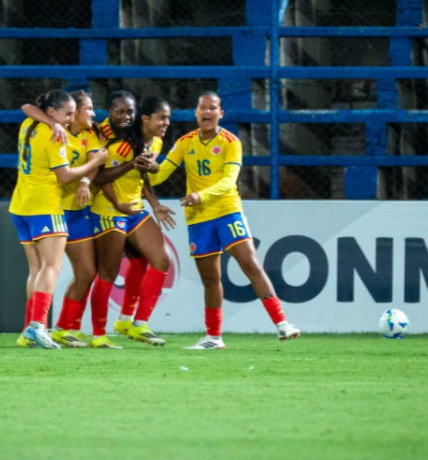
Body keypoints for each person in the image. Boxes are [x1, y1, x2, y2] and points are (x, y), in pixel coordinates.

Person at [149, 90, 301, 349]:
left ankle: (282, 323)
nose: (207, 112)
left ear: (221, 113)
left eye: (212, 108)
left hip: (227, 211)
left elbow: (229, 181)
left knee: (250, 264)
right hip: (198, 219)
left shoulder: (231, 142)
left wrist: (201, 195)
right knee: (210, 279)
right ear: (196, 113)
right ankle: (214, 337)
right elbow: (159, 175)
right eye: (202, 107)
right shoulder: (185, 142)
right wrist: (144, 166)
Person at [10, 90, 108, 349]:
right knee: (51, 267)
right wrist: (95, 162)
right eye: (66, 114)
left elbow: (27, 106)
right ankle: (38, 326)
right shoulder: (54, 135)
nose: (69, 119)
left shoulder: (28, 125)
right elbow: (64, 177)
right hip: (45, 204)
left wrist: (53, 122)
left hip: (20, 203)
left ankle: (28, 330)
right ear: (52, 112)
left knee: (36, 270)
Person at [90, 91, 176, 347]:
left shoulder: (156, 143)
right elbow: (100, 177)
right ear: (145, 119)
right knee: (108, 272)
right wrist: (128, 172)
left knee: (160, 261)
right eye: (161, 118)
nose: (165, 123)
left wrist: (155, 204)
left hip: (134, 209)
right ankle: (98, 335)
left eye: (168, 118)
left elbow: (142, 177)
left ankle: (136, 323)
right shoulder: (122, 144)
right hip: (109, 209)